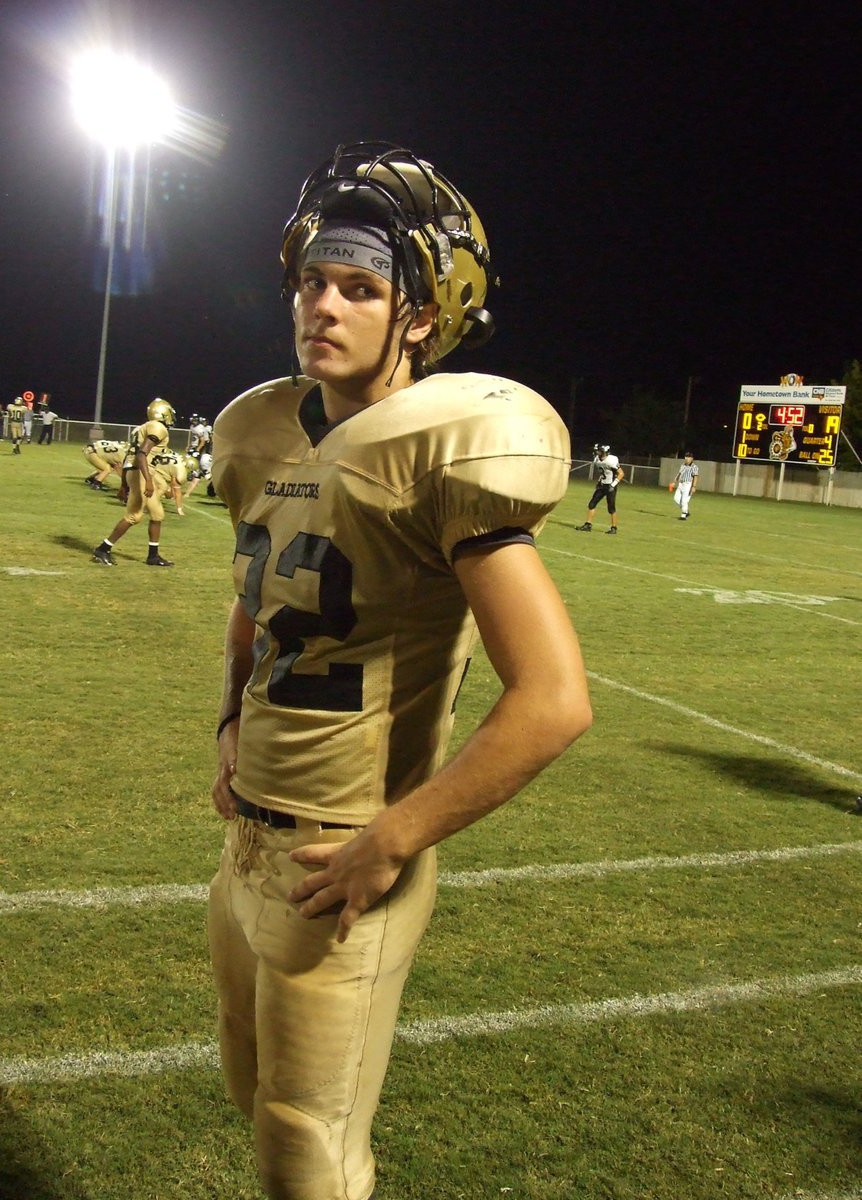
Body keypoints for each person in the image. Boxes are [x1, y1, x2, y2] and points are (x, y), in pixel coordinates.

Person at [208, 141, 592, 1200]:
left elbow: (554, 701)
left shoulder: (447, 442)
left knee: (304, 1146)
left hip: (343, 859)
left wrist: (394, 838)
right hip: (247, 846)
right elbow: (255, 609)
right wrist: (226, 726)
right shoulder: (262, 434)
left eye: (359, 287)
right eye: (311, 281)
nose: (321, 304)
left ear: (418, 318)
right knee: (255, 1101)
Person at [91, 398, 177, 566]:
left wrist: (124, 484)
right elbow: (141, 455)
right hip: (142, 473)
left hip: (135, 471)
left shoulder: (142, 428)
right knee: (134, 516)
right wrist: (148, 481)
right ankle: (103, 549)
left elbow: (128, 458)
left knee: (157, 514)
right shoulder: (158, 428)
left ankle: (153, 556)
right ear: (164, 414)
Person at [575, 444, 625, 533]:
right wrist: (599, 482)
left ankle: (614, 528)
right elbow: (603, 473)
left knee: (611, 508)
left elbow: (621, 473)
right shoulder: (597, 459)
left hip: (611, 486)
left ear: (605, 452)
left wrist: (613, 485)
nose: (597, 453)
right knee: (592, 504)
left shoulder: (611, 460)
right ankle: (588, 525)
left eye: (599, 451)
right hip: (602, 485)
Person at [669, 450, 699, 519]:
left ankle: (683, 515)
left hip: (688, 484)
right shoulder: (683, 465)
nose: (686, 458)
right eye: (686, 457)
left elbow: (695, 476)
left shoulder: (694, 467)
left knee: (684, 500)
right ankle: (686, 511)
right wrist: (674, 482)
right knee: (676, 499)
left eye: (688, 457)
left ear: (692, 458)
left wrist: (694, 486)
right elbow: (679, 474)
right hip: (681, 484)